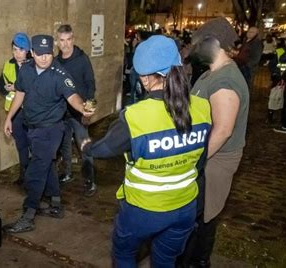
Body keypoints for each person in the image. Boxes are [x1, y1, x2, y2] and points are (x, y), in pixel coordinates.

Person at [81, 35, 212, 267]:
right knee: (165, 260)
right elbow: (200, 160)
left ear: (147, 78)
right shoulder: (202, 107)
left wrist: (87, 146)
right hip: (185, 208)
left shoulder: (135, 117)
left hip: (144, 210)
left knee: (123, 255)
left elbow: (104, 148)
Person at [3, 35, 93, 233]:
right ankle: (55, 203)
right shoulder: (26, 70)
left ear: (52, 53)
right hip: (32, 127)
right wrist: (9, 117)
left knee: (35, 171)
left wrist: (82, 107)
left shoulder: (60, 74)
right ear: (32, 53)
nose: (44, 58)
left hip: (51, 129)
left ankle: (28, 215)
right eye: (39, 54)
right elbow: (20, 93)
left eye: (48, 53)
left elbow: (73, 96)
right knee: (47, 163)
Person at [178, 17, 249, 267]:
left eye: (199, 43)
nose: (195, 48)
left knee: (203, 216)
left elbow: (223, 130)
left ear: (214, 43)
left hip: (214, 161)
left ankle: (197, 261)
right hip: (206, 157)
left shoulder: (225, 81)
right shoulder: (213, 74)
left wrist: (194, 160)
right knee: (197, 215)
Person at [55, 24, 97, 197]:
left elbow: (90, 84)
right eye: (61, 40)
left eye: (68, 39)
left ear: (73, 39)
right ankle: (67, 173)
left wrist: (87, 109)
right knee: (64, 146)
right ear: (57, 42)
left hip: (78, 113)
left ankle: (90, 181)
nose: (65, 44)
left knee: (84, 146)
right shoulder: (55, 62)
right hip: (62, 113)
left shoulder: (82, 59)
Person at [0, 32, 31, 185]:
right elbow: (0, 87)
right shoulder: (8, 65)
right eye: (15, 49)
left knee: (35, 144)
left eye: (21, 50)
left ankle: (36, 175)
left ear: (28, 50)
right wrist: (7, 89)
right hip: (16, 113)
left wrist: (18, 88)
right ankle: (24, 175)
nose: (18, 53)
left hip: (32, 112)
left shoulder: (34, 64)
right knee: (21, 144)